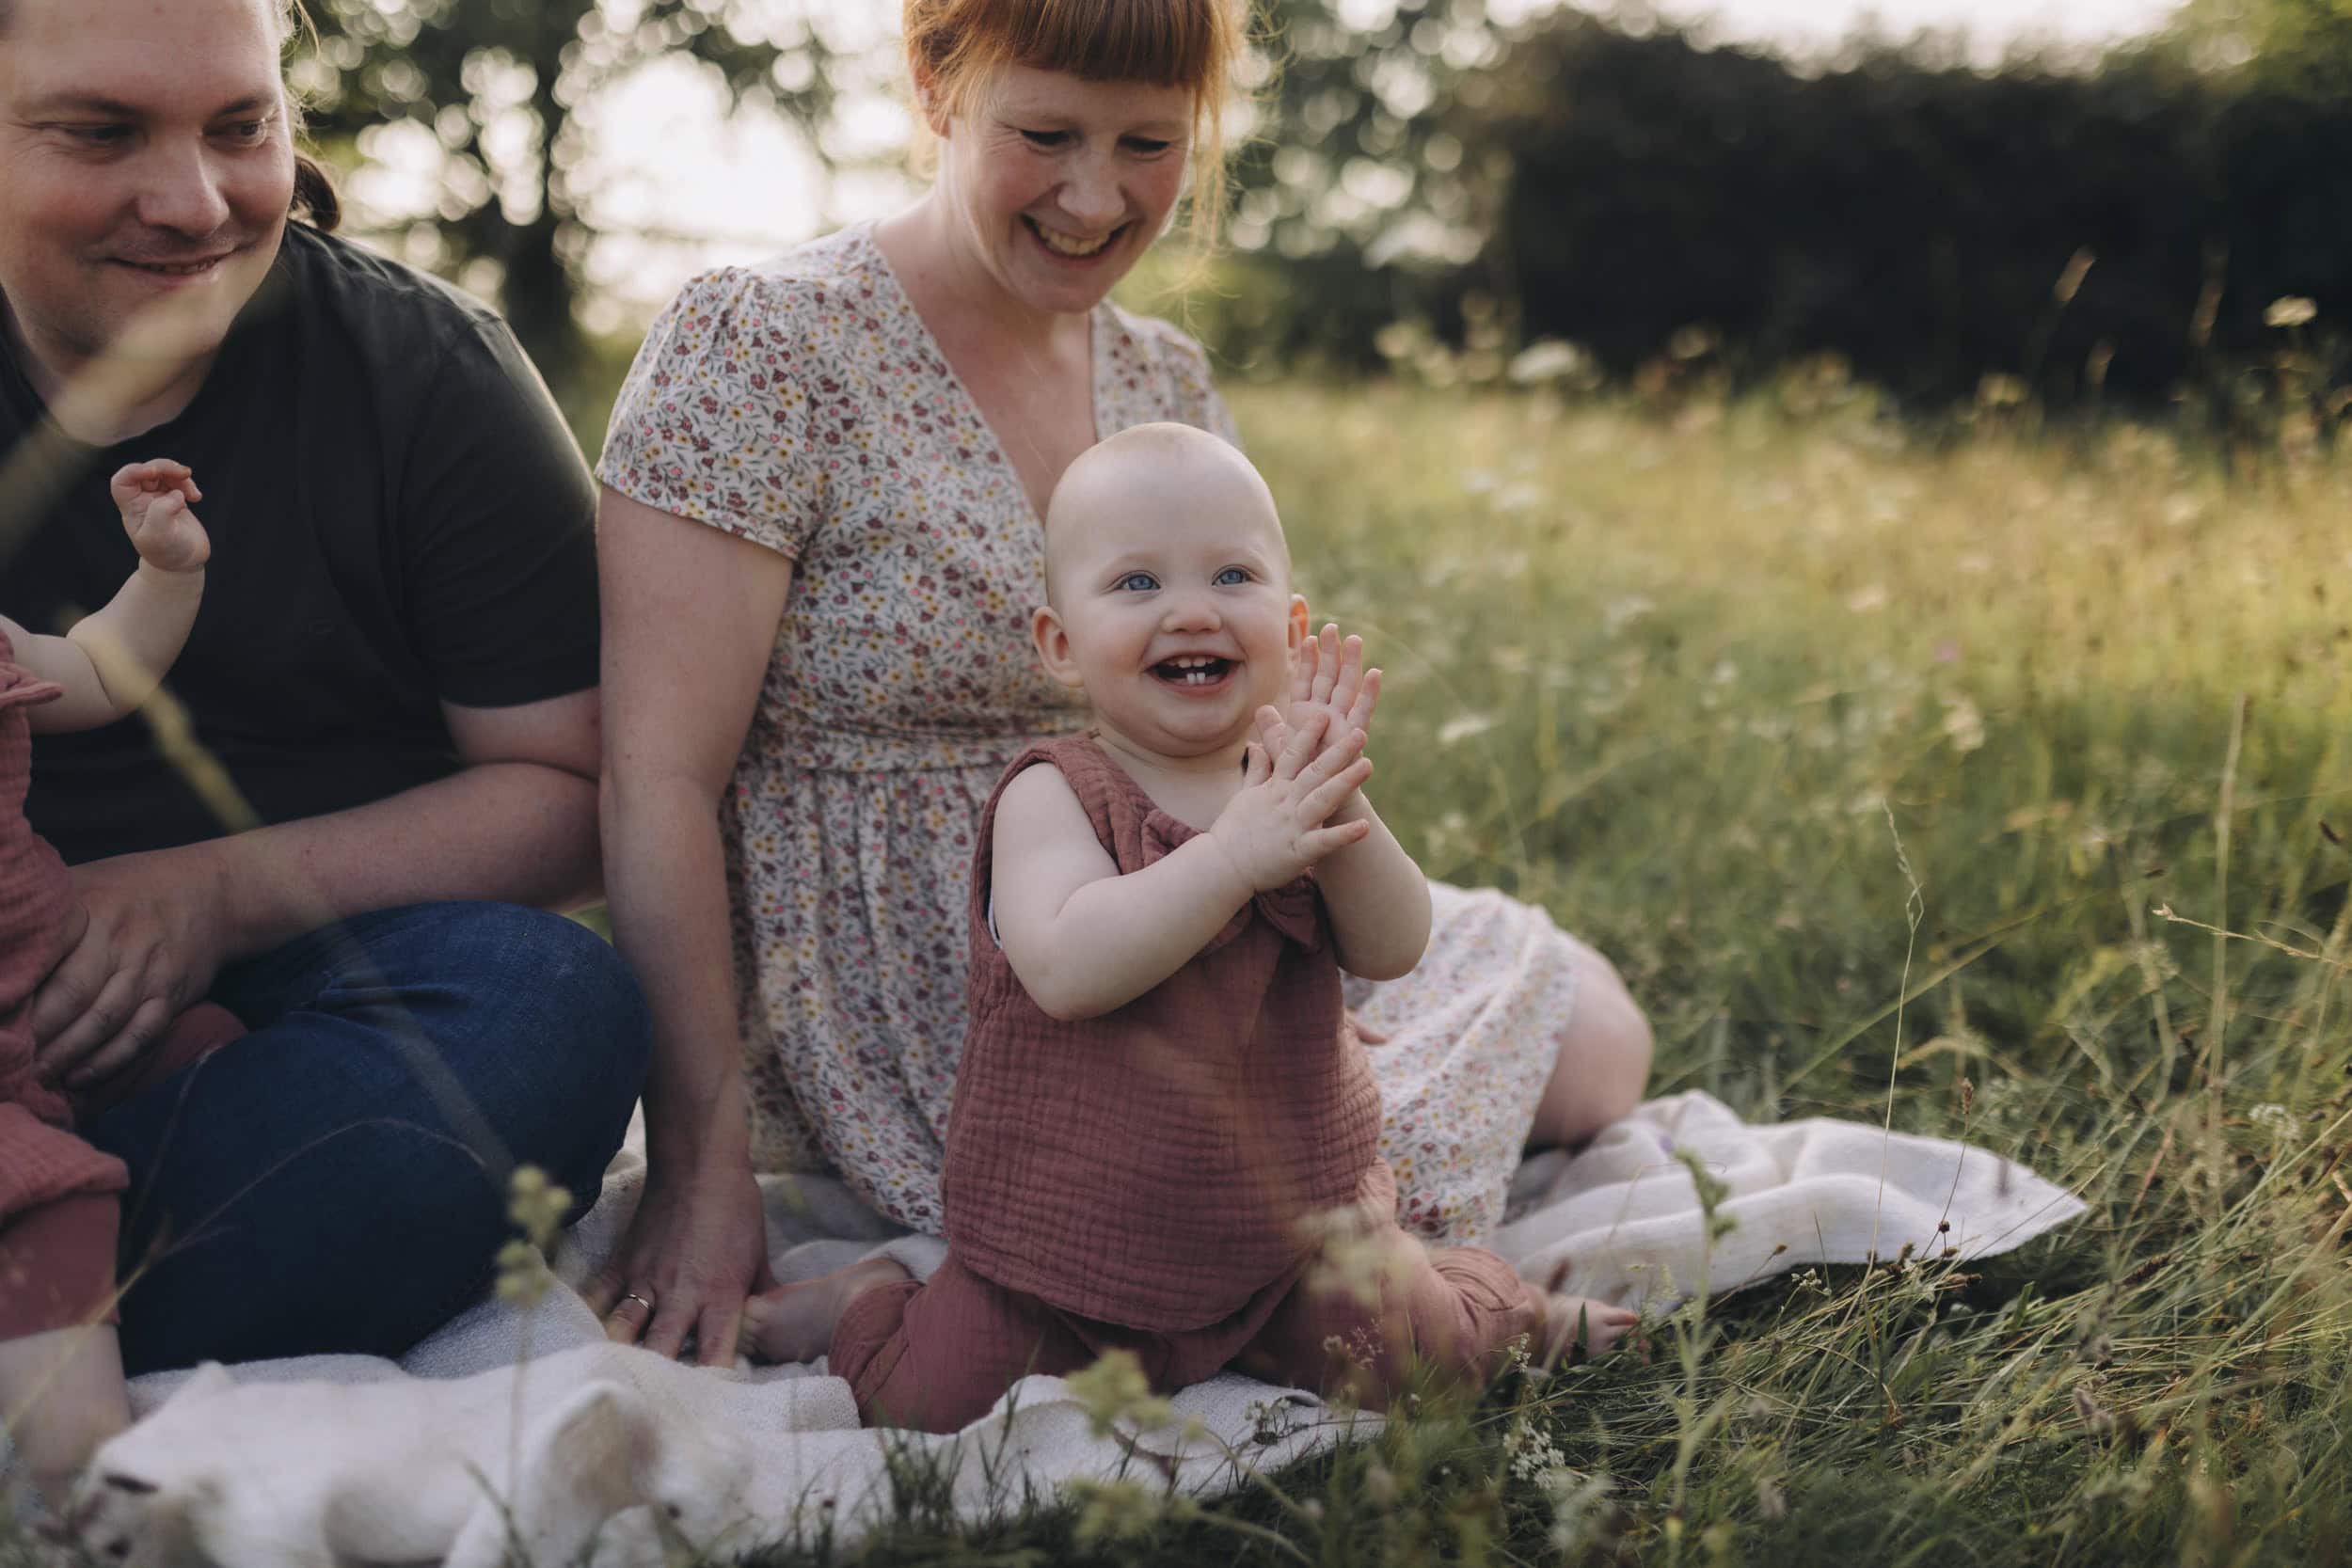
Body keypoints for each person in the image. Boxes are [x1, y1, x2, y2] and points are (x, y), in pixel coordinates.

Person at [594, 0, 1652, 1369]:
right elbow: (656, 773)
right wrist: (700, 1162)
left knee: (1594, 1028)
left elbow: (1228, 686)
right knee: (1440, 1105)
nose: (1097, 197)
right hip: (949, 988)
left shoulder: (1161, 375)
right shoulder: (765, 346)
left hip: (1210, 899)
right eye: (1046, 135)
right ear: (933, 83)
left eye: (1150, 144)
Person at [0, 0, 647, 1481]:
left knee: (549, 1007)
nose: (197, 200)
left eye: (243, 127)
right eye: (103, 133)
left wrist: (204, 889)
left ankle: (48, 1285)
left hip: (300, 994)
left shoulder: (426, 376)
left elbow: (574, 788)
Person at [757, 424, 1635, 1430]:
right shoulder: (1054, 794)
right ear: (1059, 643)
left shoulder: (1291, 784)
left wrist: (1337, 801)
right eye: (1135, 584)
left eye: (1232, 574)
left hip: (1297, 1239)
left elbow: (1393, 946)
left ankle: (1508, 1306)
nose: (1190, 608)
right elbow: (1068, 966)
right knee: (922, 1401)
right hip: (1060, 1254)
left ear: (1291, 622)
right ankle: (869, 1295)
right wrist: (1232, 856)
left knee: (1415, 1361)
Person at [0, 459, 240, 1502]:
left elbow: (99, 667)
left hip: (47, 1009)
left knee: (212, 1046)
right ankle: (79, 1481)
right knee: (47, 1197)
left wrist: (164, 572)